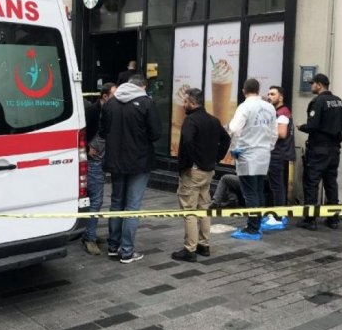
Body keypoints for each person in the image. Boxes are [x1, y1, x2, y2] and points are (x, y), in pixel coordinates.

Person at [99, 75, 161, 263]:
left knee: (117, 202)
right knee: (132, 206)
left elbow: (102, 132)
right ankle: (126, 251)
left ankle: (113, 246)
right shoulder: (146, 103)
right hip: (139, 162)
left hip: (116, 161)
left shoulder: (110, 103)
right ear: (142, 86)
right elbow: (156, 133)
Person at [172, 88, 231, 262]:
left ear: (192, 102)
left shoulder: (190, 121)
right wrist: (216, 158)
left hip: (193, 171)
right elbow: (226, 139)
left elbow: (187, 142)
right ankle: (204, 245)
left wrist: (188, 164)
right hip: (208, 171)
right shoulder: (213, 120)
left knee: (189, 210)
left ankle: (189, 249)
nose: (184, 105)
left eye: (185, 102)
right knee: (203, 207)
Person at [227, 78, 277, 240]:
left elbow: (234, 128)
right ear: (259, 89)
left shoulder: (245, 106)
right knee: (258, 189)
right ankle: (258, 221)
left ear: (243, 91)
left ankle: (253, 228)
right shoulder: (269, 107)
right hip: (264, 154)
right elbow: (274, 132)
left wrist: (233, 147)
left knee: (249, 192)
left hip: (247, 154)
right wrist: (268, 147)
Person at [296, 73, 342, 230]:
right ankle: (333, 219)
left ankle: (310, 219)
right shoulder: (338, 101)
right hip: (334, 149)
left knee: (312, 182)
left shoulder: (317, 101)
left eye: (313, 84)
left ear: (319, 85)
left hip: (318, 149)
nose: (311, 86)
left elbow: (312, 126)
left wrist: (302, 127)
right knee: (331, 183)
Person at [81, 82, 116, 255]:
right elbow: (80, 133)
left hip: (101, 159)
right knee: (96, 199)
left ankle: (89, 232)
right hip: (93, 161)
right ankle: (89, 237)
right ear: (105, 96)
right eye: (114, 95)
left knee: (95, 198)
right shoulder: (94, 111)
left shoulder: (109, 111)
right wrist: (87, 149)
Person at [261, 86, 296, 231]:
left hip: (278, 154)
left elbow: (281, 134)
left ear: (280, 97)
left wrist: (264, 129)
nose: (269, 96)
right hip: (276, 154)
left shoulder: (282, 113)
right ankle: (273, 214)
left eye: (273, 94)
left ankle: (277, 217)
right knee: (274, 185)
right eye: (268, 93)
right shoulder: (277, 112)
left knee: (277, 186)